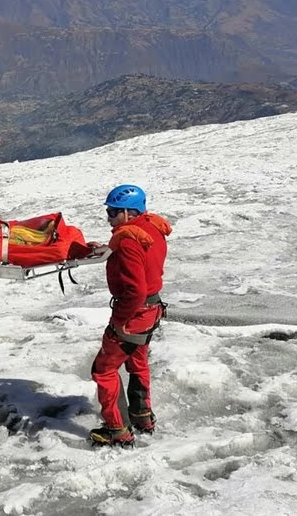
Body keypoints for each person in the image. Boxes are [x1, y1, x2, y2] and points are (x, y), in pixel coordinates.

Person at [89, 184, 172, 446]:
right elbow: (142, 255)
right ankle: (142, 415)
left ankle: (117, 429)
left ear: (128, 212)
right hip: (152, 309)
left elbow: (134, 290)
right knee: (137, 362)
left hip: (134, 313)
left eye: (113, 212)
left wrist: (119, 322)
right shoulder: (151, 228)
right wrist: (109, 248)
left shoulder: (127, 240)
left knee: (104, 369)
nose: (109, 218)